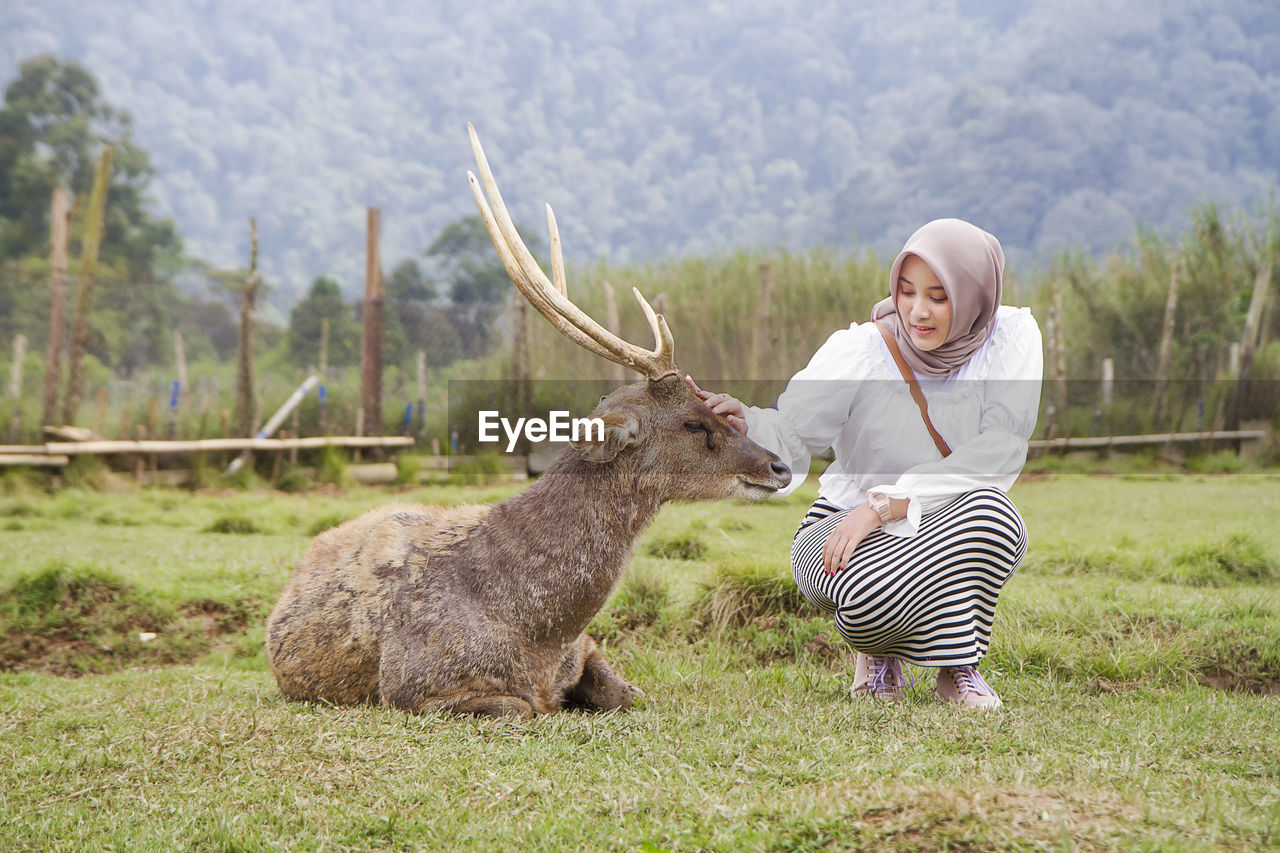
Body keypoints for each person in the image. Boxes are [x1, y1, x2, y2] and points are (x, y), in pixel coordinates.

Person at [686, 218, 1042, 709]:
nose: (917, 311)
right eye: (906, 291)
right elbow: (793, 432)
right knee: (866, 593)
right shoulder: (862, 349)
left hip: (944, 524)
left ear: (975, 295)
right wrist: (746, 425)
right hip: (840, 526)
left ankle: (955, 668)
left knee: (1000, 520)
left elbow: (1000, 451)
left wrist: (884, 505)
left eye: (939, 297)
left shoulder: (1010, 339)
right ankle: (876, 653)